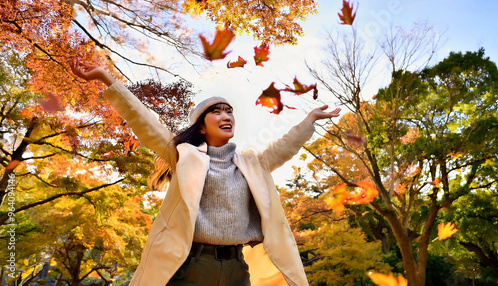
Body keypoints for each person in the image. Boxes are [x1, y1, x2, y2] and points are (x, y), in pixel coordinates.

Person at [70, 60, 341, 286]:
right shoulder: (185, 156)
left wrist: (309, 121)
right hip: (191, 266)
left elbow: (285, 147)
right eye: (216, 111)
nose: (226, 116)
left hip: (237, 269)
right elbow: (146, 123)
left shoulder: (251, 164)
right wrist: (107, 79)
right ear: (201, 126)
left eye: (229, 111)